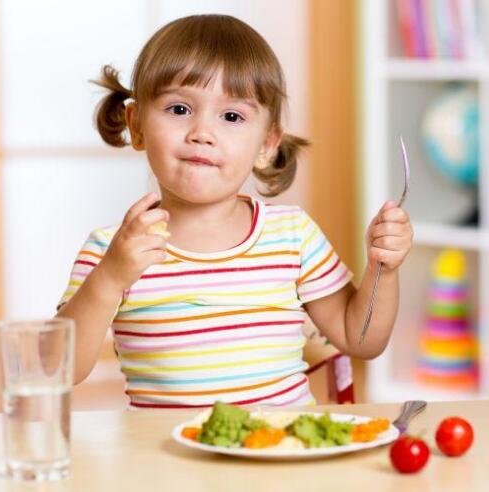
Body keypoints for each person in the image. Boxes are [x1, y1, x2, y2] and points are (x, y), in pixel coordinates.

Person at [57, 14, 412, 409]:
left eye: (232, 117)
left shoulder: (292, 235)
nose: (202, 133)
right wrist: (109, 278)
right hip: (165, 449)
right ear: (137, 125)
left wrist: (383, 269)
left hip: (281, 442)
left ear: (267, 145)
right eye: (179, 109)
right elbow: (58, 370)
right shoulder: (113, 249)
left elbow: (361, 340)